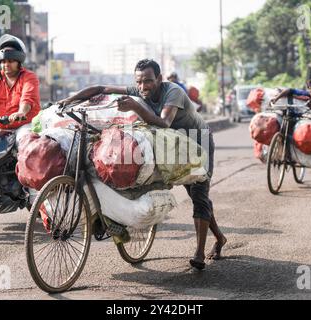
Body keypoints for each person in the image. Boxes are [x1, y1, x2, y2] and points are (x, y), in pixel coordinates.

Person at [58, 59, 227, 270]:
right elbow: (101, 88)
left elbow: (164, 122)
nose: (143, 87)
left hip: (196, 140)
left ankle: (200, 253)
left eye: (148, 81)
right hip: (171, 142)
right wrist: (69, 99)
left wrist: (135, 106)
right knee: (193, 194)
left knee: (199, 194)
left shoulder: (172, 92)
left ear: (159, 79)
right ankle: (219, 238)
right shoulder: (138, 89)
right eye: (139, 82)